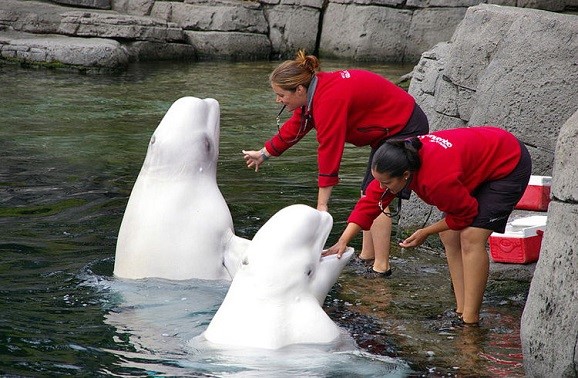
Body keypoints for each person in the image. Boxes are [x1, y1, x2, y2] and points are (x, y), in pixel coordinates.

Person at [242, 50, 429, 277]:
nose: (278, 100)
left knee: (379, 196)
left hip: (404, 127)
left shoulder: (328, 98)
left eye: (281, 95)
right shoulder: (315, 91)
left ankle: (381, 268)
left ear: (299, 89)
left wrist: (322, 205)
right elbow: (296, 127)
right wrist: (264, 153)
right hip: (386, 132)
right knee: (367, 193)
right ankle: (367, 256)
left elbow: (330, 148)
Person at [323, 126, 532, 325]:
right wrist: (343, 241)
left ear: (405, 175)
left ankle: (470, 320)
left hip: (507, 162)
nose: (381, 187)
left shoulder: (435, 180)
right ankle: (461, 308)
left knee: (471, 237)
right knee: (449, 236)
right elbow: (370, 202)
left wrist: (425, 232)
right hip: (478, 159)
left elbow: (466, 215)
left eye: (386, 183)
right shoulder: (400, 159)